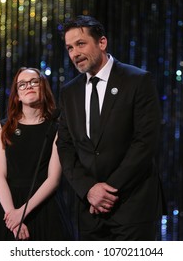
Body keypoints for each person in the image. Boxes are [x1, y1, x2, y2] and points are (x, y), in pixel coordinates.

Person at [56, 15, 165, 240]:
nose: (74, 53)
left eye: (80, 44)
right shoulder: (69, 92)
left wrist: (107, 191)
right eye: (69, 48)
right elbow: (65, 147)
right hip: (90, 211)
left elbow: (145, 143)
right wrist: (89, 190)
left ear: (102, 43)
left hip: (133, 205)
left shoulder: (137, 80)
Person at [0, 67, 70, 240]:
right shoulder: (4, 128)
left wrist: (22, 213)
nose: (28, 86)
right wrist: (12, 216)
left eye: (33, 82)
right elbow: (0, 176)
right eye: (22, 85)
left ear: (43, 87)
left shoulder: (57, 127)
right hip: (8, 205)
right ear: (17, 94)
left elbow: (53, 179)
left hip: (44, 206)